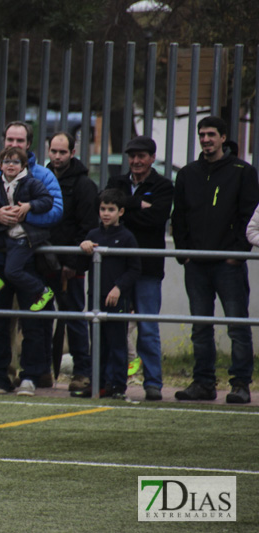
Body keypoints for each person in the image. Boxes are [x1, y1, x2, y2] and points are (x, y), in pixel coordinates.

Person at [172, 116, 259, 404]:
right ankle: (203, 383)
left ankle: (241, 384)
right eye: (201, 134)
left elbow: (248, 215)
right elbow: (179, 216)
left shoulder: (242, 172)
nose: (205, 139)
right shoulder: (187, 173)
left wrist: (237, 254)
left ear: (223, 137)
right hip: (196, 264)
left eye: (211, 134)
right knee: (201, 326)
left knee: (237, 325)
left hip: (228, 264)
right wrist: (183, 254)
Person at [0, 121, 64, 394]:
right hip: (0, 260)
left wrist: (25, 212)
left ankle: (31, 376)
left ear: (29, 145)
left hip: (29, 261)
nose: (14, 145)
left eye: (20, 141)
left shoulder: (42, 176)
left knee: (32, 322)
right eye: (10, 139)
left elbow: (56, 211)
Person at [105, 135, 174, 401]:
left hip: (148, 268)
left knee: (147, 327)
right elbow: (106, 207)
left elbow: (156, 219)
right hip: (119, 269)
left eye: (141, 156)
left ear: (152, 158)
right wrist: (135, 204)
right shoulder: (117, 182)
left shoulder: (163, 185)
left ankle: (153, 383)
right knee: (116, 327)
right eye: (132, 156)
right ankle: (115, 382)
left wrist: (124, 208)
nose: (135, 161)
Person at [45, 132, 98, 393]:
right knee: (39, 318)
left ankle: (82, 373)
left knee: (75, 319)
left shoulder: (84, 185)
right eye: (53, 151)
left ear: (72, 152)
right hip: (42, 263)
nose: (57, 157)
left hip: (71, 267)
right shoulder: (41, 178)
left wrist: (72, 263)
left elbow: (87, 227)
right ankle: (41, 370)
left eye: (62, 152)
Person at [76, 189, 141, 399]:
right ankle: (98, 384)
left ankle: (117, 386)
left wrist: (119, 288)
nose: (106, 213)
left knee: (117, 345)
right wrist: (83, 248)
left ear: (121, 212)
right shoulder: (93, 235)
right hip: (95, 298)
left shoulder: (127, 237)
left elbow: (134, 268)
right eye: (103, 209)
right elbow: (82, 265)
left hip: (117, 300)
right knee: (97, 343)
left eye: (111, 209)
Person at [0, 146, 55, 311]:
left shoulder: (32, 182)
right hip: (5, 232)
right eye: (6, 161)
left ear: (23, 166)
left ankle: (43, 290)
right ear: (0, 165)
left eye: (16, 162)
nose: (11, 165)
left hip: (23, 235)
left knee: (12, 271)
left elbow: (47, 201)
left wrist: (29, 206)